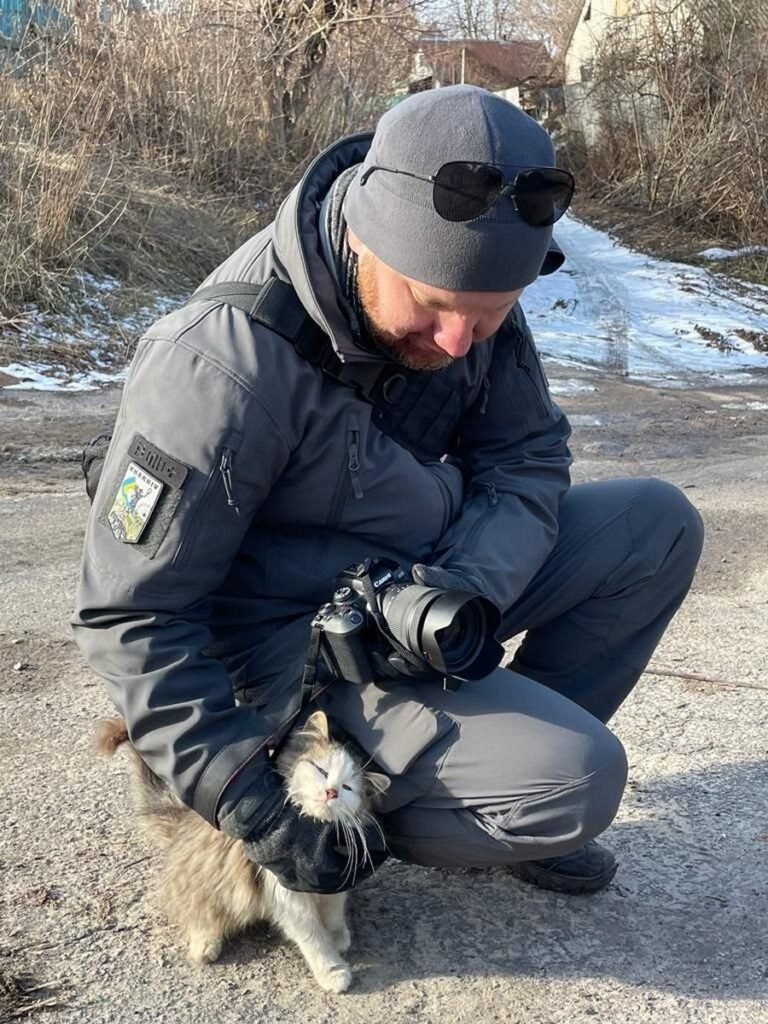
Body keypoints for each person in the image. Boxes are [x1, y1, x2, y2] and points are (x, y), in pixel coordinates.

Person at [72, 85, 704, 897]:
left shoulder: (470, 296)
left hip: (415, 591)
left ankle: (490, 773)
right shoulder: (220, 367)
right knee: (575, 781)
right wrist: (246, 797)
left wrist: (461, 588)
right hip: (288, 652)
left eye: (487, 317)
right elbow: (133, 614)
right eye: (438, 309)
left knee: (653, 526)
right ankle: (482, 793)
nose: (456, 340)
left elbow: (528, 456)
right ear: (368, 238)